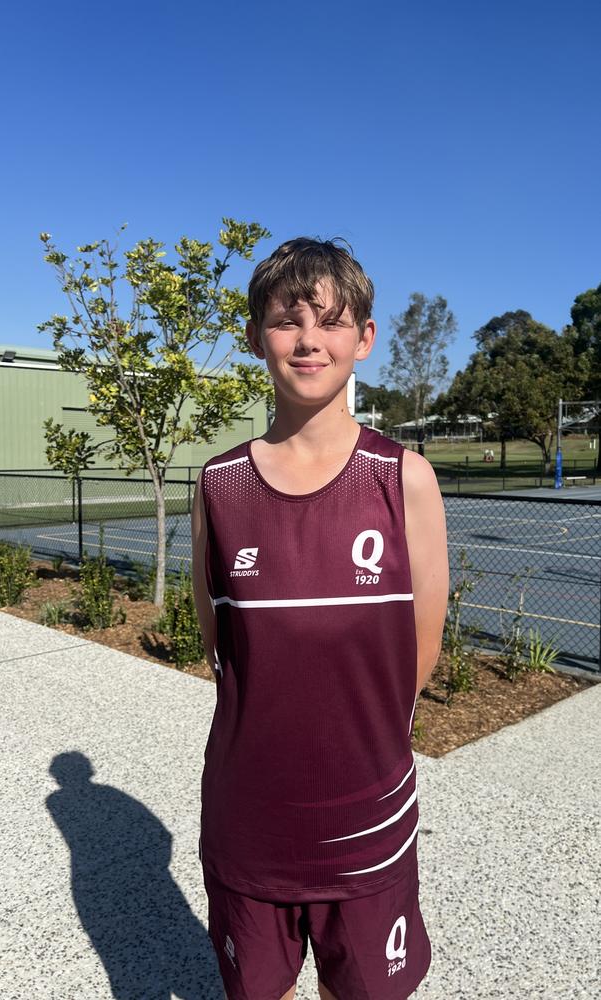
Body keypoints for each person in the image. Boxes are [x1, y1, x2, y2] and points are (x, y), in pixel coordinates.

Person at [190, 237, 450, 1000]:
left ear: (364, 339)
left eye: (331, 321)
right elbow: (223, 651)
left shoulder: (404, 479)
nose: (308, 340)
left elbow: (416, 658)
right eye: (285, 320)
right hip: (249, 824)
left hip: (367, 822)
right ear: (254, 338)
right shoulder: (220, 486)